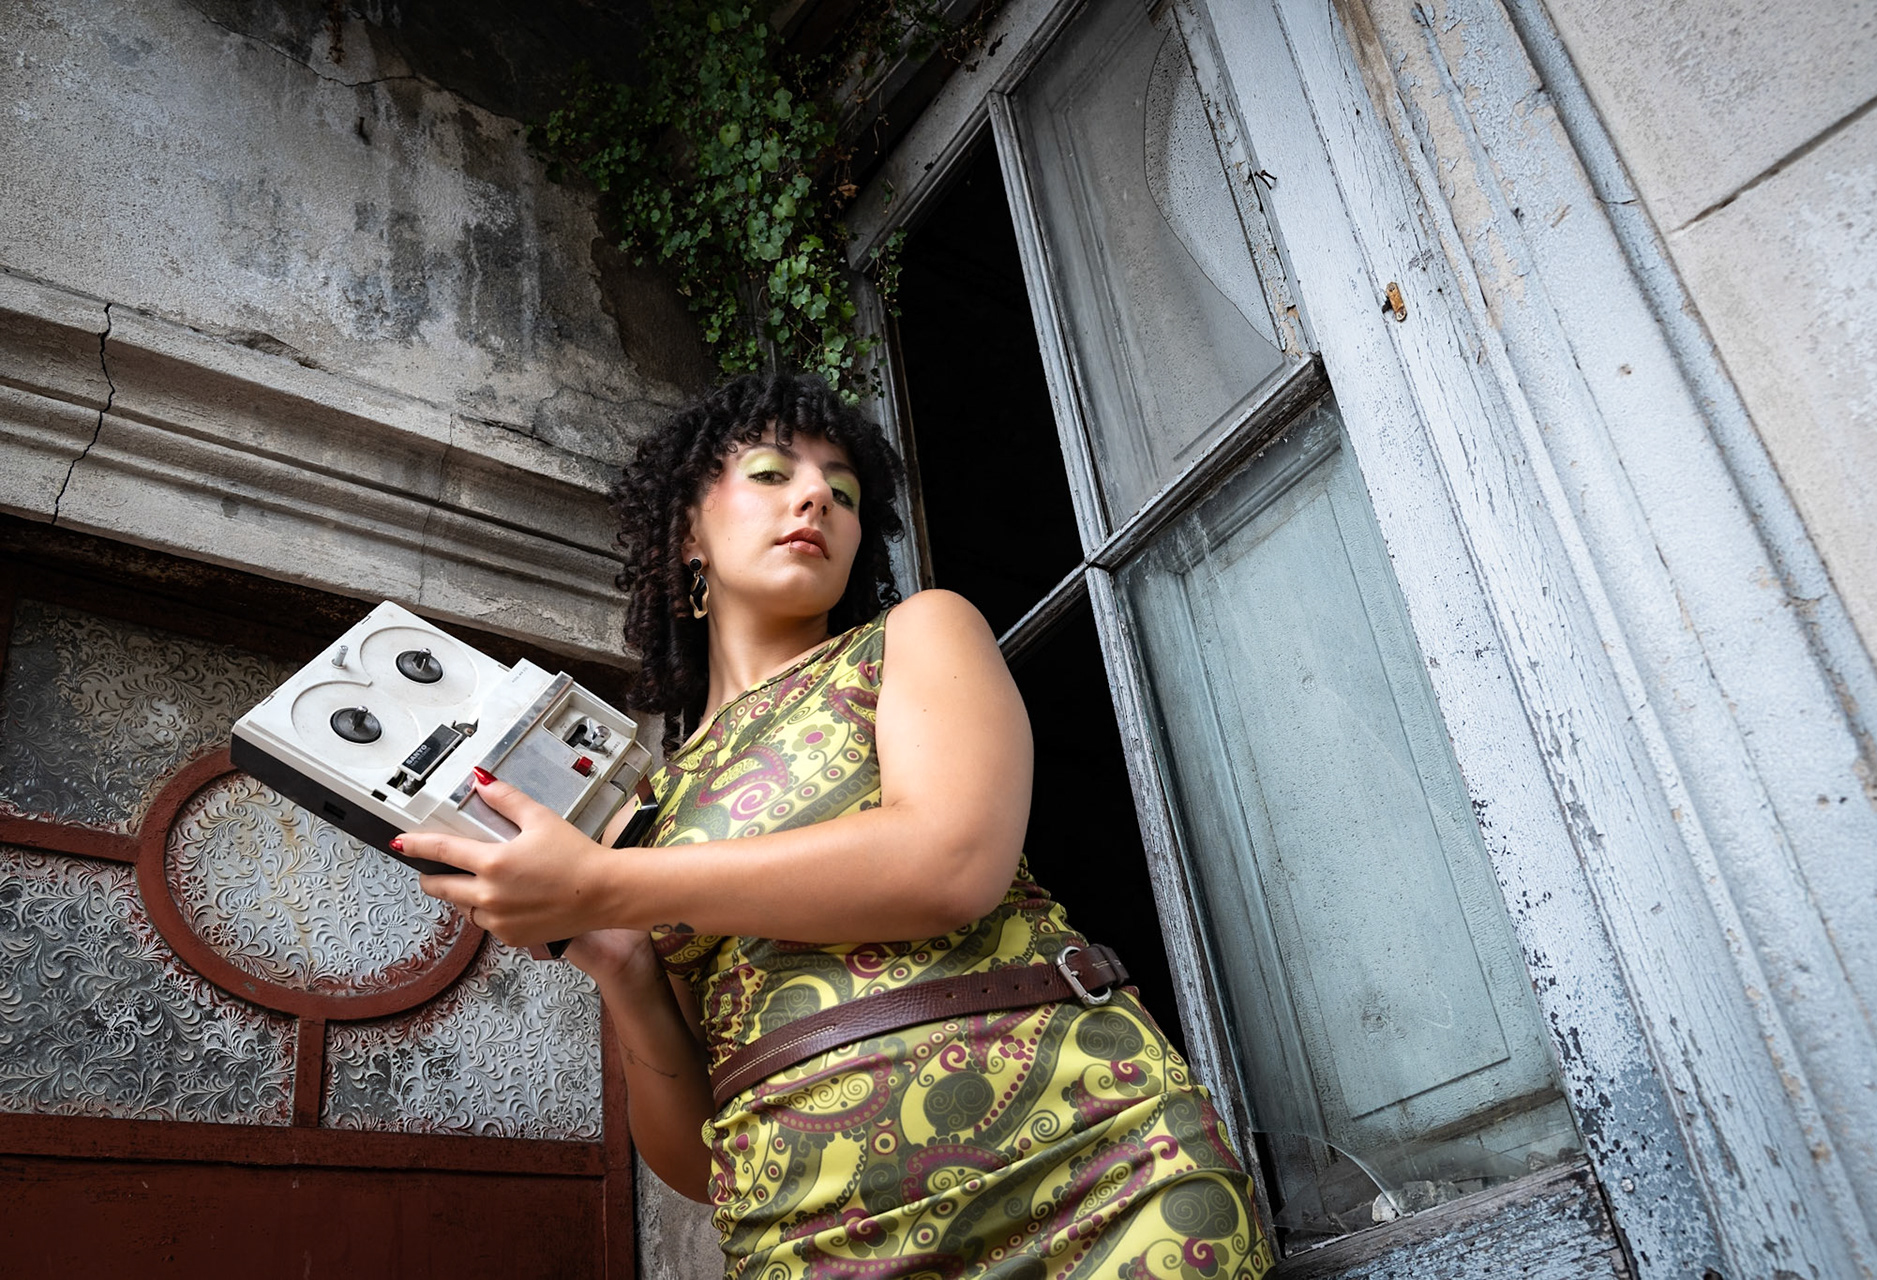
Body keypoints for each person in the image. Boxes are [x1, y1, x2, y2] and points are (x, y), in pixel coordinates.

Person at [400, 371, 1274, 1279]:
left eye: (844, 492)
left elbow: (949, 862)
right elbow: (698, 1167)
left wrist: (605, 883)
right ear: (688, 530)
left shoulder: (916, 636)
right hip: (812, 1239)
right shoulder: (644, 810)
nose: (816, 495)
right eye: (772, 473)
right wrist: (624, 968)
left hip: (1094, 1169)